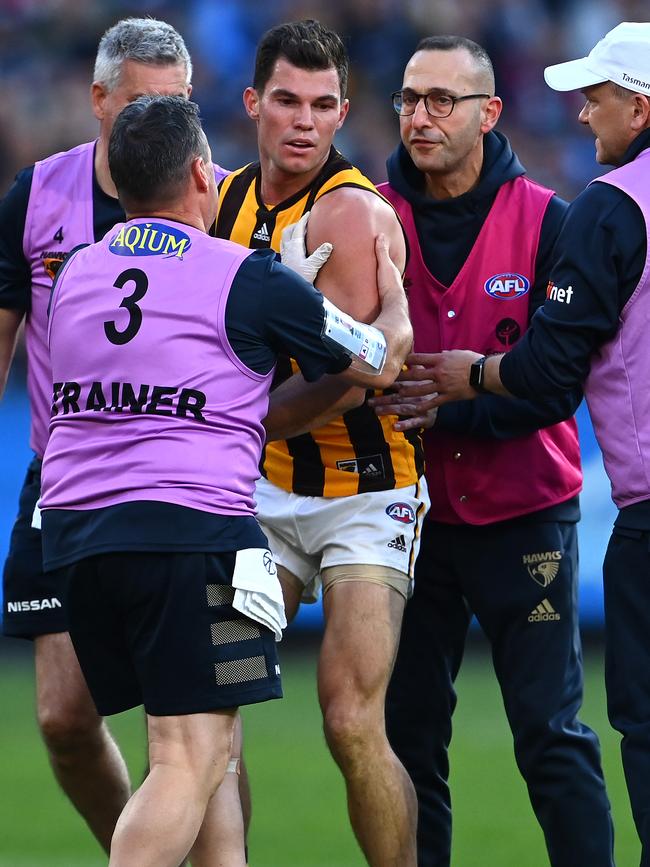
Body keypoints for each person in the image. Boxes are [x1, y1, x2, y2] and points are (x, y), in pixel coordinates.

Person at [38, 93, 412, 867]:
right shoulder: (246, 275)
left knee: (212, 746)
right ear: (204, 177)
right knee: (190, 757)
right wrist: (391, 305)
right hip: (191, 535)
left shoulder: (77, 271)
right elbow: (377, 360)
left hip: (76, 538)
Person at [408, 21, 650, 866]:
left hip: (531, 511)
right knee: (409, 742)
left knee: (565, 735)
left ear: (489, 112)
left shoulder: (572, 216)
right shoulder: (366, 210)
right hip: (411, 518)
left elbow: (553, 380)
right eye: (408, 99)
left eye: (442, 99)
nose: (419, 116)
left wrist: (452, 393)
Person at [0, 17, 226, 853]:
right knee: (64, 715)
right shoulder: (37, 196)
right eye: (140, 103)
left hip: (188, 483)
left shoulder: (221, 194)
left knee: (202, 730)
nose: (161, 125)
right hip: (65, 479)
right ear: (98, 101)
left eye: (178, 105)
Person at [214, 19, 429, 867]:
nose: (304, 121)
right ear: (252, 104)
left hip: (365, 492)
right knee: (207, 716)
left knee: (349, 719)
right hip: (255, 496)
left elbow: (351, 376)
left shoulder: (349, 210)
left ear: (344, 112)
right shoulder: (221, 200)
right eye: (287, 101)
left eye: (323, 104)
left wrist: (242, 416)